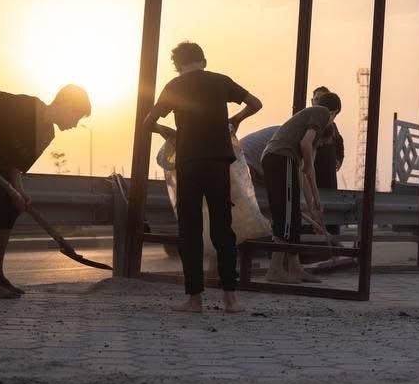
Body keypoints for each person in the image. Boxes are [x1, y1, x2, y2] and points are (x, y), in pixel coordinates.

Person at [143, 42, 261, 313]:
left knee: (190, 231)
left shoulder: (174, 86)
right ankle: (231, 299)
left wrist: (167, 132)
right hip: (218, 163)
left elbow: (148, 122)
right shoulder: (221, 81)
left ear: (178, 66)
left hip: (189, 164)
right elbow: (256, 104)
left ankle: (194, 300)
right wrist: (237, 119)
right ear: (203, 61)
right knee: (223, 230)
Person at [0, 85, 92, 299]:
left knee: (11, 207)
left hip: (0, 166)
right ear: (66, 105)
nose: (74, 125)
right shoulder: (29, 106)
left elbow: (16, 166)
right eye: (76, 117)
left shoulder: (46, 135)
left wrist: (20, 192)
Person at [260, 92, 342, 283]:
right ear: (335, 112)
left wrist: (315, 203)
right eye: (321, 143)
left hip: (276, 159)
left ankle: (295, 268)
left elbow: (305, 175)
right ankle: (275, 270)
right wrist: (309, 164)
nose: (319, 146)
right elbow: (306, 145)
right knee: (286, 219)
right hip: (280, 158)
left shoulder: (303, 130)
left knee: (292, 215)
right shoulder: (322, 113)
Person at [311, 86, 344, 237]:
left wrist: (339, 159)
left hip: (328, 178)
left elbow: (340, 143)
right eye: (317, 99)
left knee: (330, 212)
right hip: (312, 174)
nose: (320, 103)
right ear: (312, 101)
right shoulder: (309, 120)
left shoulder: (332, 126)